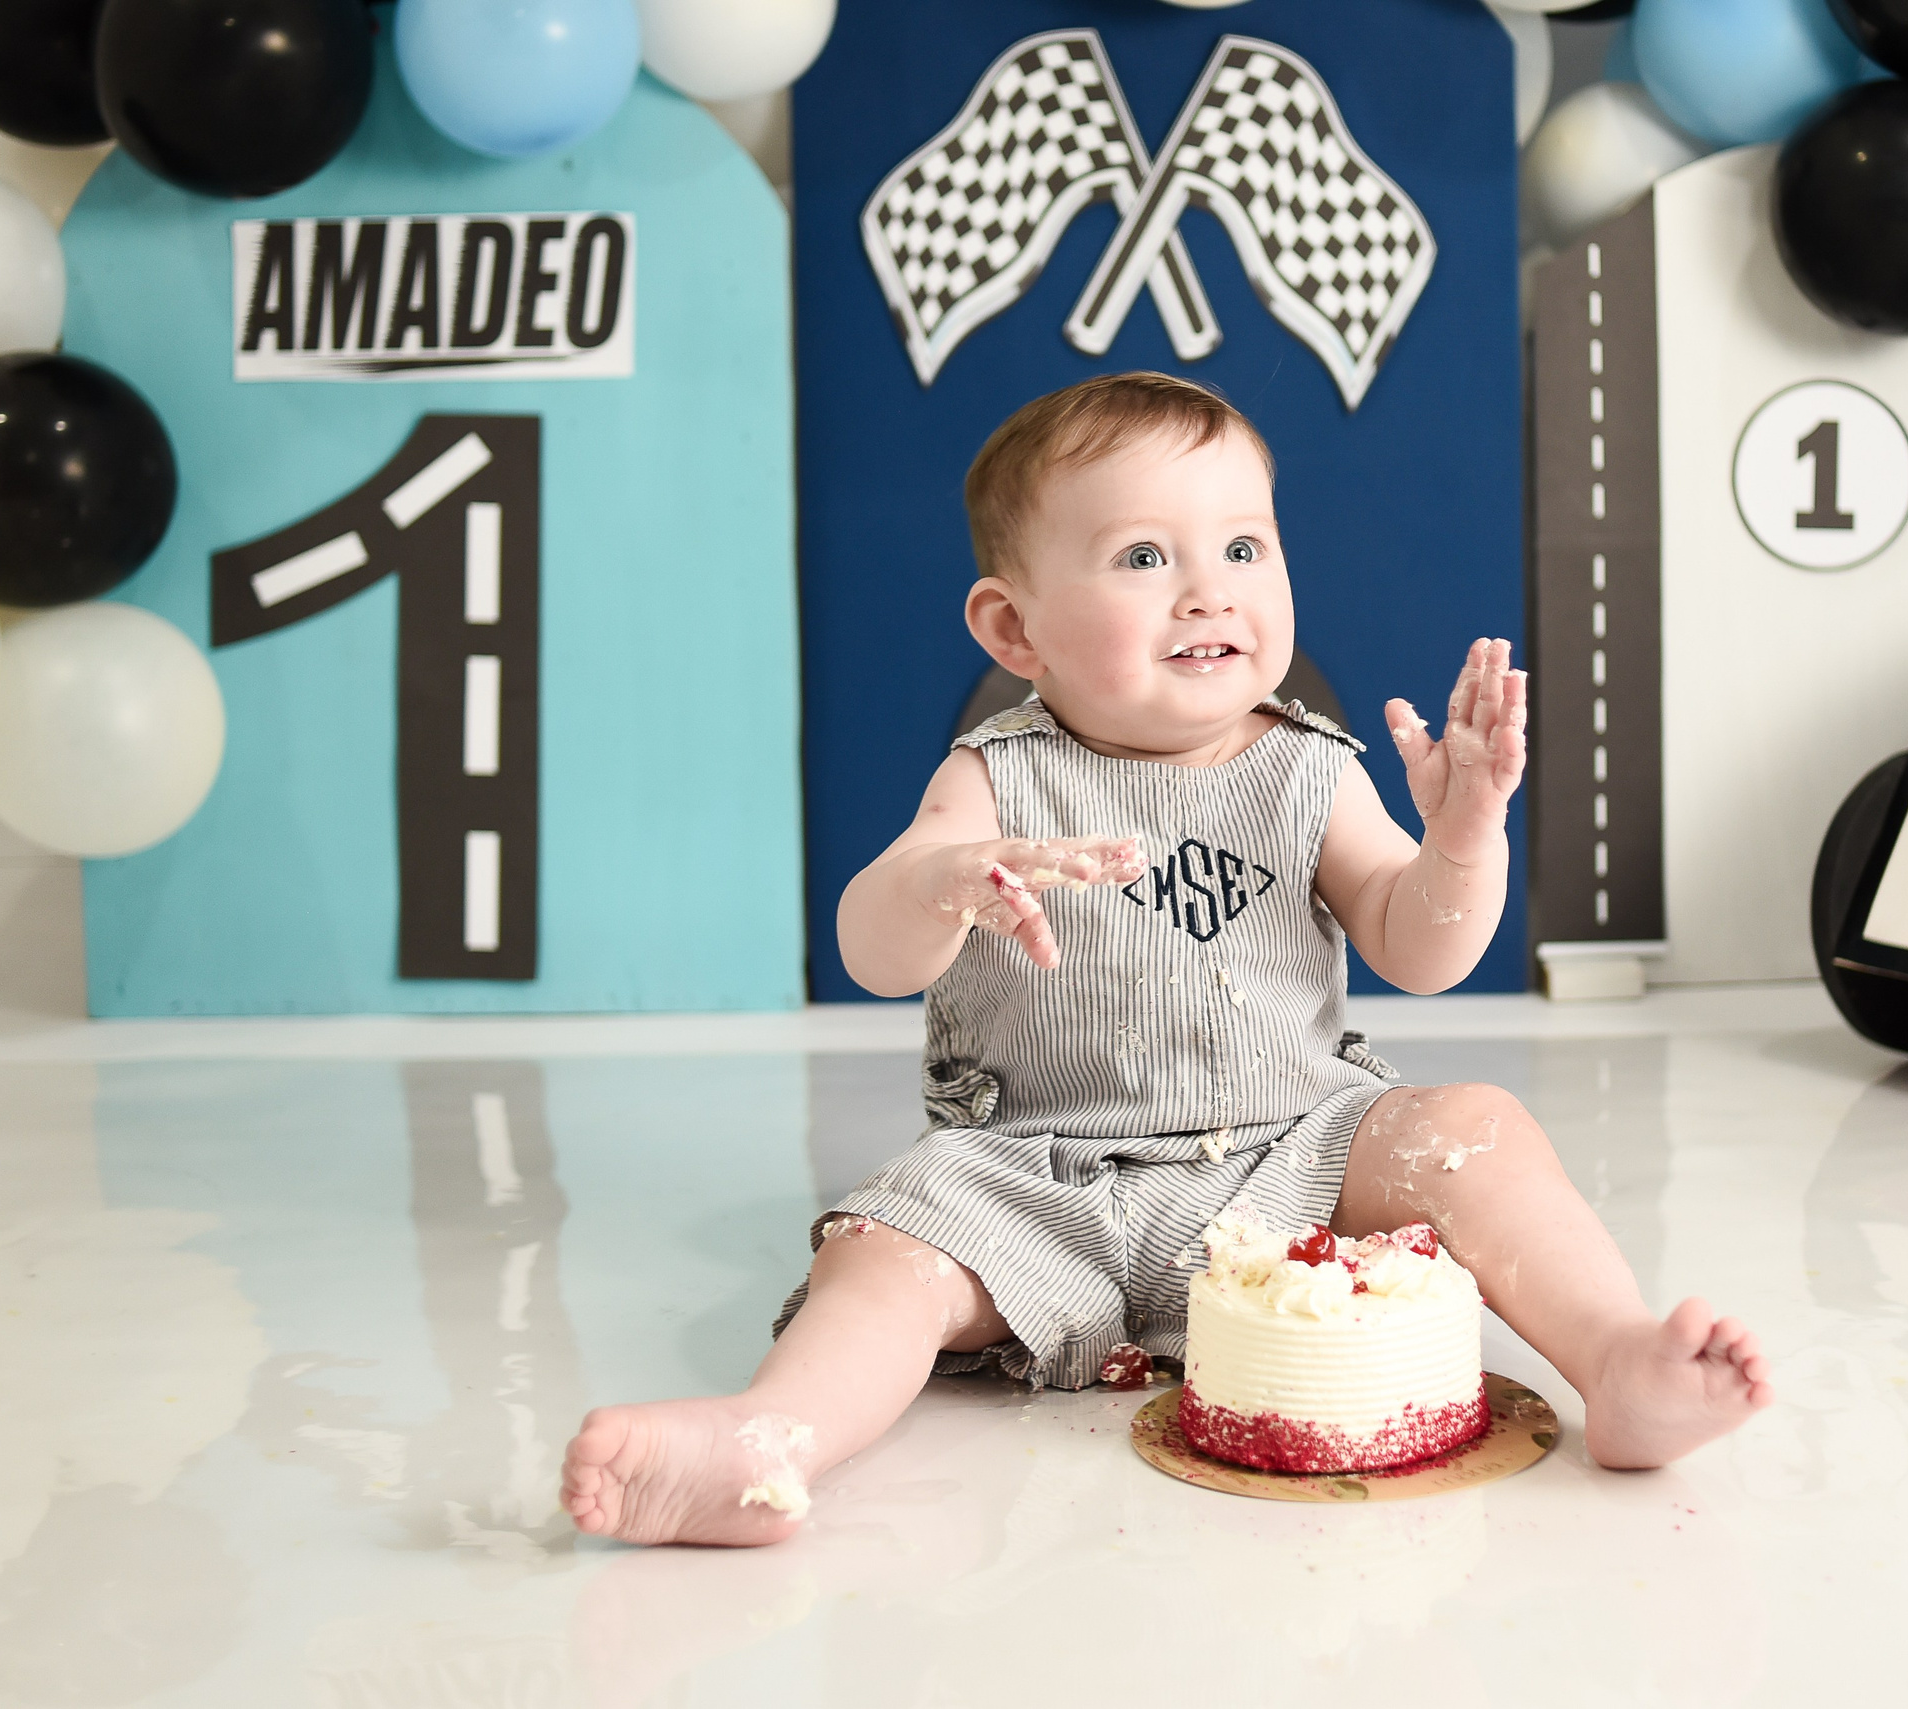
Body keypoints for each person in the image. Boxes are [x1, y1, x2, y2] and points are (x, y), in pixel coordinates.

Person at [561, 373, 1773, 1544]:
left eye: (1243, 548)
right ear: (1013, 626)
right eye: (1145, 557)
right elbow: (873, 952)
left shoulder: (1311, 768)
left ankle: (1616, 1357)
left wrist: (1462, 836)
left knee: (1475, 1127)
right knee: (883, 1255)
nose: (1207, 592)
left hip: (1288, 1157)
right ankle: (769, 1443)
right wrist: (936, 882)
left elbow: (1423, 952)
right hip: (1032, 1182)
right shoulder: (994, 778)